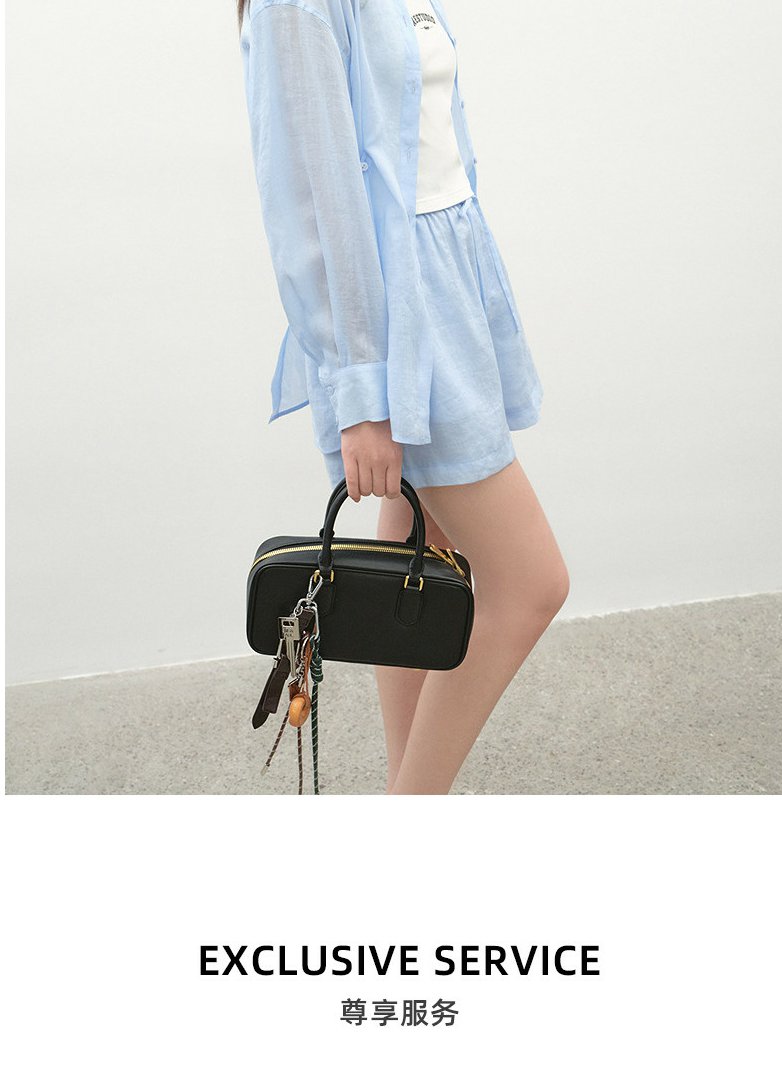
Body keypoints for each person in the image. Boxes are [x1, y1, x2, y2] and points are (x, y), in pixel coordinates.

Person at [238, 0, 570, 794]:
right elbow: (310, 199)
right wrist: (362, 393)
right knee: (531, 583)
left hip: (451, 287)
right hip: (400, 321)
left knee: (422, 563)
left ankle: (407, 796)